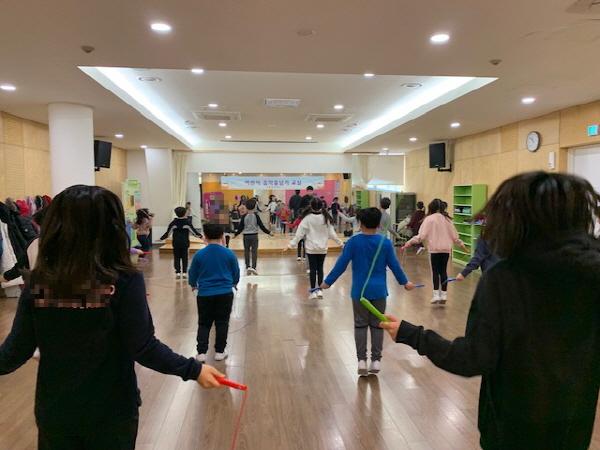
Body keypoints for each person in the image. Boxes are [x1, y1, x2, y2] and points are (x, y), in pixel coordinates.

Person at [380, 172, 600, 450]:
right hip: (574, 426)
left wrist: (411, 334)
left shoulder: (505, 279)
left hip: (511, 427)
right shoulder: (593, 274)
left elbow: (473, 358)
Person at [0, 185, 224, 449]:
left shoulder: (40, 282)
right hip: (112, 412)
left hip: (57, 411)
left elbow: (15, 351)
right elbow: (143, 346)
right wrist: (193, 370)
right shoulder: (123, 280)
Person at [321, 207, 416, 375]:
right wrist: (405, 282)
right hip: (379, 291)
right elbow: (395, 266)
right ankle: (376, 361)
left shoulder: (353, 242)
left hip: (359, 292)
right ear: (378, 224)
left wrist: (328, 282)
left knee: (360, 325)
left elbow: (341, 264)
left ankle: (361, 361)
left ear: (360, 223)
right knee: (378, 325)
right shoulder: (385, 243)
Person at [188, 224, 240, 363]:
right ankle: (220, 352)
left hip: (204, 294)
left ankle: (201, 353)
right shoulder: (229, 253)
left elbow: (192, 274)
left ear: (205, 236)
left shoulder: (199, 255)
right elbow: (236, 272)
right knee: (222, 322)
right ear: (222, 236)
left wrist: (193, 285)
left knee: (204, 323)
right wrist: (234, 283)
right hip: (225, 293)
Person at [402, 199, 467, 305]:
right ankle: (444, 295)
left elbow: (421, 236)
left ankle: (436, 295)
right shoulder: (447, 220)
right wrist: (461, 244)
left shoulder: (429, 219)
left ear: (431, 207)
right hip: (446, 250)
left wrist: (409, 242)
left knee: (435, 272)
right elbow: (455, 236)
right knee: (443, 271)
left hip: (434, 250)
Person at [289, 198, 342, 300]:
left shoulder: (307, 218)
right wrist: (340, 243)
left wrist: (291, 245)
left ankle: (313, 291)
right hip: (322, 248)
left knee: (313, 270)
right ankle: (320, 291)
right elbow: (332, 234)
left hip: (311, 248)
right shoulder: (325, 217)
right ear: (322, 206)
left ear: (311, 206)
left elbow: (299, 234)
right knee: (320, 269)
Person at [233, 198, 273, 276]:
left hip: (246, 236)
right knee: (254, 251)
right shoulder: (256, 216)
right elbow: (261, 226)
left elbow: (240, 227)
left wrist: (235, 234)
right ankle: (253, 267)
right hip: (254, 236)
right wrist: (269, 232)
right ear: (255, 207)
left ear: (246, 207)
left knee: (246, 251)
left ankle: (248, 266)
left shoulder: (244, 216)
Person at [160, 206, 202, 279]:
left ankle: (178, 273)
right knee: (185, 257)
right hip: (185, 243)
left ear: (176, 213)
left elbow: (168, 233)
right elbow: (194, 232)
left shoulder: (173, 223)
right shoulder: (187, 222)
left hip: (176, 243)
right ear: (185, 213)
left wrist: (161, 239)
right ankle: (184, 273)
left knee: (176, 257)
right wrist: (201, 236)